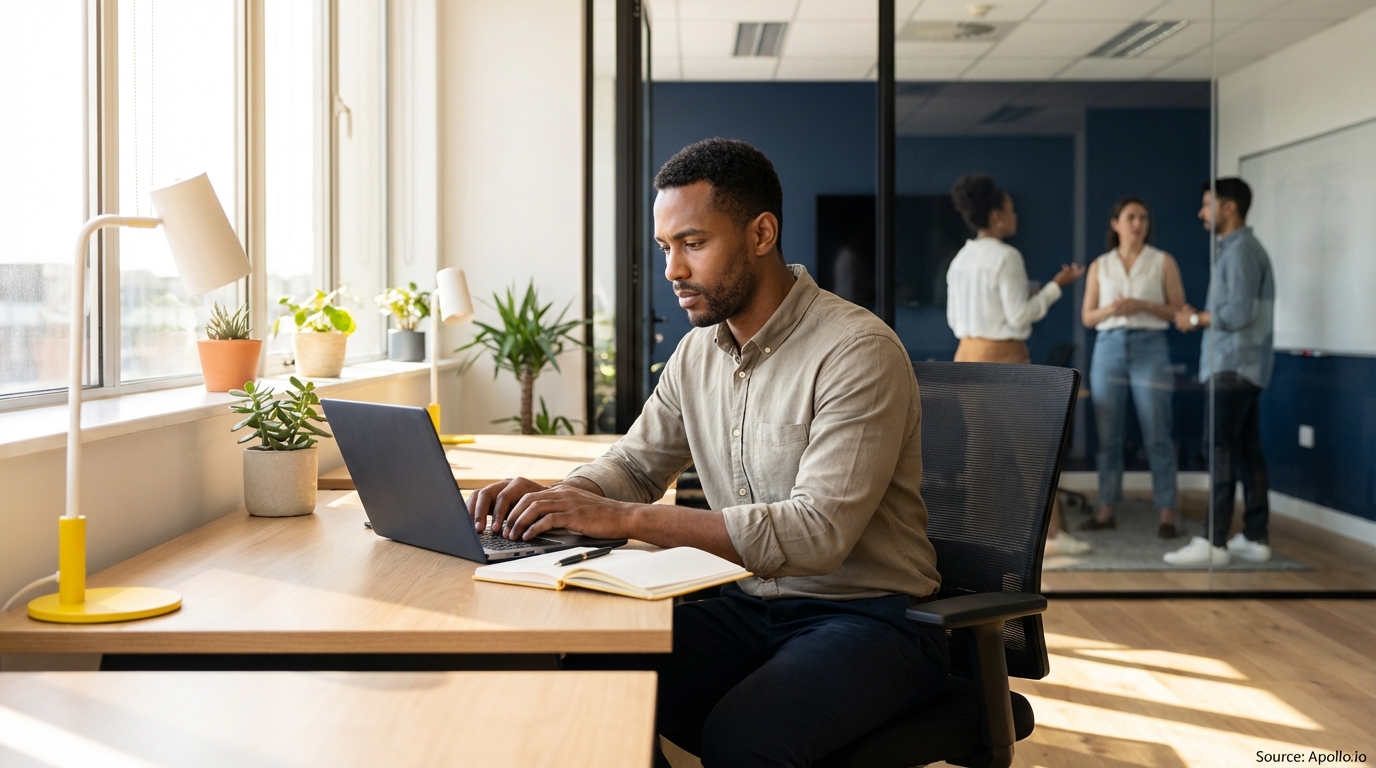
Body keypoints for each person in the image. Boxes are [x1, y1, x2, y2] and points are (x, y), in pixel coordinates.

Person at [470, 138, 948, 767]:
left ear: (761, 233)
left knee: (743, 738)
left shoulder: (856, 351)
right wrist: (564, 499)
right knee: (587, 669)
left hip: (871, 619)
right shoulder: (697, 355)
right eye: (666, 248)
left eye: (693, 244)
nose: (672, 270)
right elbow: (637, 465)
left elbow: (817, 535)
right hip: (750, 606)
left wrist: (628, 520)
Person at [945, 173, 1090, 556]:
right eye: (1010, 210)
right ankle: (1054, 538)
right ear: (994, 217)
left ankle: (979, 535)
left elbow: (954, 319)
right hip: (1003, 361)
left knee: (981, 452)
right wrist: (1057, 285)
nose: (1015, 216)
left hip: (966, 359)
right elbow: (1021, 315)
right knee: (1033, 451)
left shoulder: (960, 259)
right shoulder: (1007, 256)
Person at [1165, 177, 1275, 566]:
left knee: (1221, 451)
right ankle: (1255, 536)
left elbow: (1239, 313)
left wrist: (1196, 317)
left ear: (1229, 207)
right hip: (1243, 365)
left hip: (1233, 366)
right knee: (1246, 452)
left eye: (1207, 204)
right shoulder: (1236, 249)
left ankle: (1214, 542)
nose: (1201, 212)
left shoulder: (1241, 251)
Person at [1079, 197, 1185, 539]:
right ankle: (1107, 508)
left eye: (1143, 217)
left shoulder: (1162, 261)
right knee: (1108, 436)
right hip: (1108, 346)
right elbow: (1088, 316)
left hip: (1149, 347)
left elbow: (1178, 311)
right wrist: (1112, 309)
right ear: (1116, 224)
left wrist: (1140, 304)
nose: (1138, 223)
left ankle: (1167, 512)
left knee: (1158, 432)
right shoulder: (1101, 265)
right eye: (1130, 217)